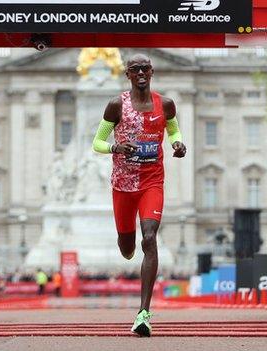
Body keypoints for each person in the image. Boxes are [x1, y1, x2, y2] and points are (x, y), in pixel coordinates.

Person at [92, 53, 187, 337]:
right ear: (128, 75)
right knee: (127, 245)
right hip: (123, 185)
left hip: (151, 182)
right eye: (135, 69)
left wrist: (177, 143)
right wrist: (115, 148)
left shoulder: (165, 104)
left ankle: (143, 313)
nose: (141, 73)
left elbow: (173, 128)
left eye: (145, 68)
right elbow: (97, 141)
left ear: (152, 71)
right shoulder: (115, 105)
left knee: (149, 237)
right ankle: (126, 243)